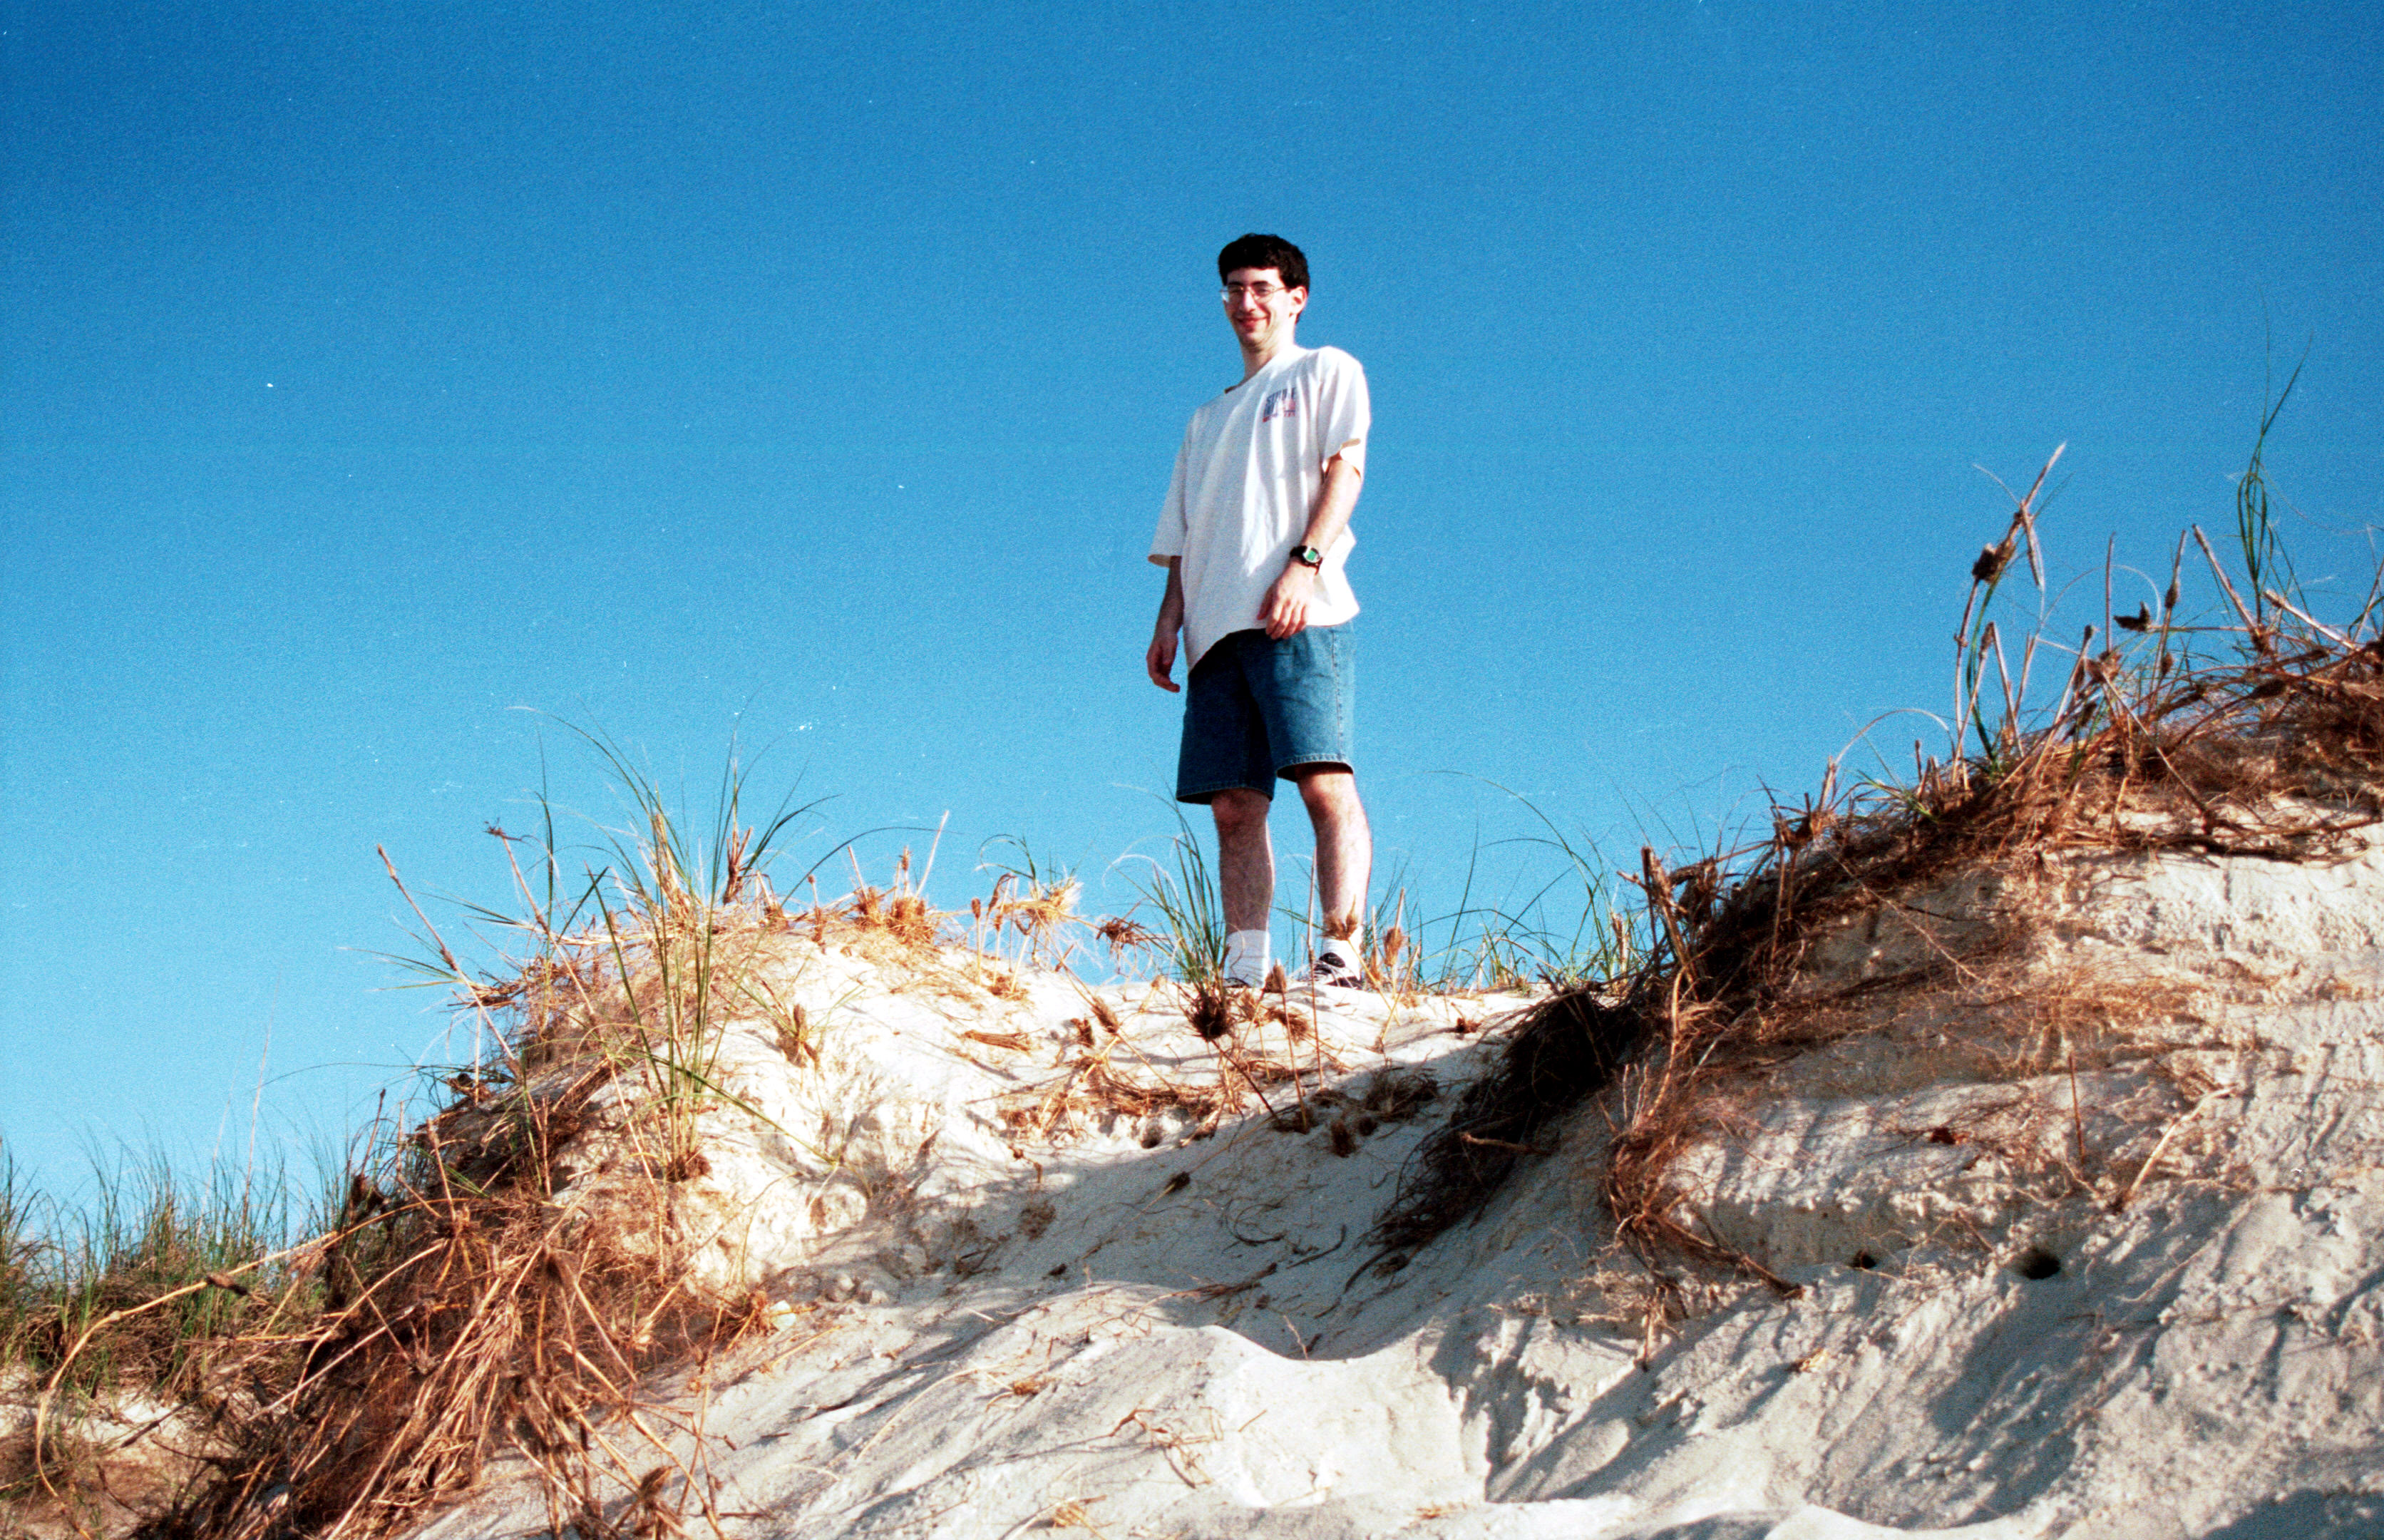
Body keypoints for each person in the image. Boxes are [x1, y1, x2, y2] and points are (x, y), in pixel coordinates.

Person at [1146, 232, 1373, 990]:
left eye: (1260, 289)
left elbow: (1346, 467)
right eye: (1232, 290)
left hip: (1297, 612)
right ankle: (1246, 971)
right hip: (1214, 633)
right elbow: (1182, 533)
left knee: (1320, 780)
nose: (1245, 304)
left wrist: (1303, 565)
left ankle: (1340, 956)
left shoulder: (1323, 370)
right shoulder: (1204, 420)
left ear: (1294, 298)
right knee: (1233, 808)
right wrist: (1169, 617)